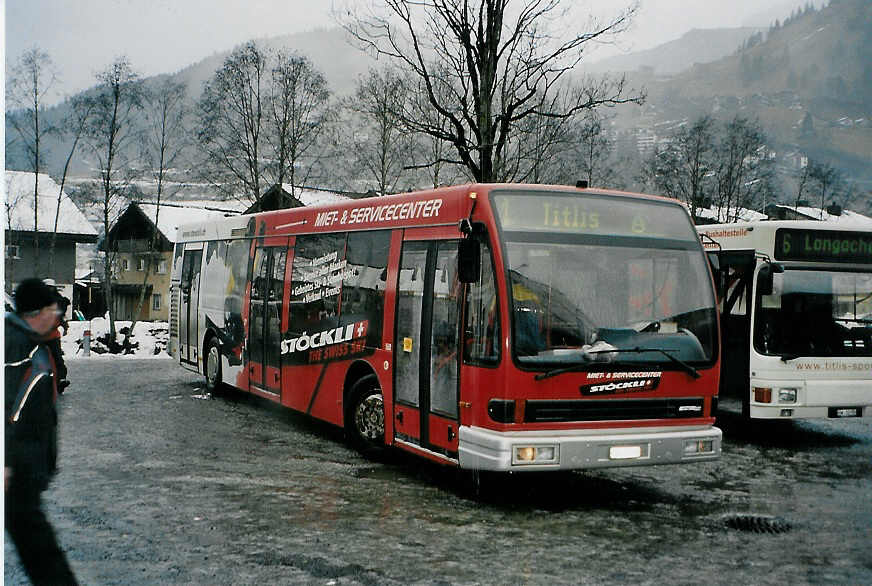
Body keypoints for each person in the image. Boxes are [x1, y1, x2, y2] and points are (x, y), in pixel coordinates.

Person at [5, 278, 78, 585]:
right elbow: (11, 407)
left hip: (26, 466)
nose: (56, 313)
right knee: (41, 551)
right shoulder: (16, 349)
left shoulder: (36, 342)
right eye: (51, 307)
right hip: (16, 470)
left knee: (38, 548)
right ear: (36, 312)